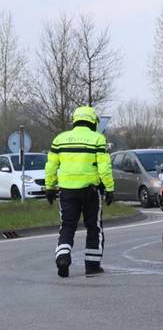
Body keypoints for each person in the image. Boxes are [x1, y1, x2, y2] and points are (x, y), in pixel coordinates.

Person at [45, 105, 115, 278]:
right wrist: (110, 188)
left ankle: (62, 257)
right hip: (90, 191)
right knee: (94, 227)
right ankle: (92, 265)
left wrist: (50, 187)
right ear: (92, 122)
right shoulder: (98, 139)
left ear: (75, 121)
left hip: (67, 191)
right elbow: (104, 167)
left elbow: (51, 166)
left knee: (67, 226)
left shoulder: (60, 139)